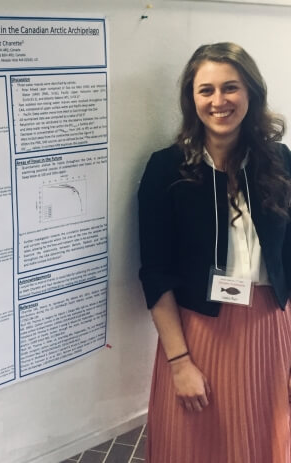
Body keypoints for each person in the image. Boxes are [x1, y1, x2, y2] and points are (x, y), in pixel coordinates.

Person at [138, 42, 291, 463]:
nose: (219, 101)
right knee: (192, 447)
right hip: (197, 332)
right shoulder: (166, 169)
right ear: (192, 98)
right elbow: (155, 273)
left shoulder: (280, 163)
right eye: (206, 90)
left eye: (231, 88)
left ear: (251, 94)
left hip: (270, 328)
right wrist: (180, 361)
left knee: (262, 444)